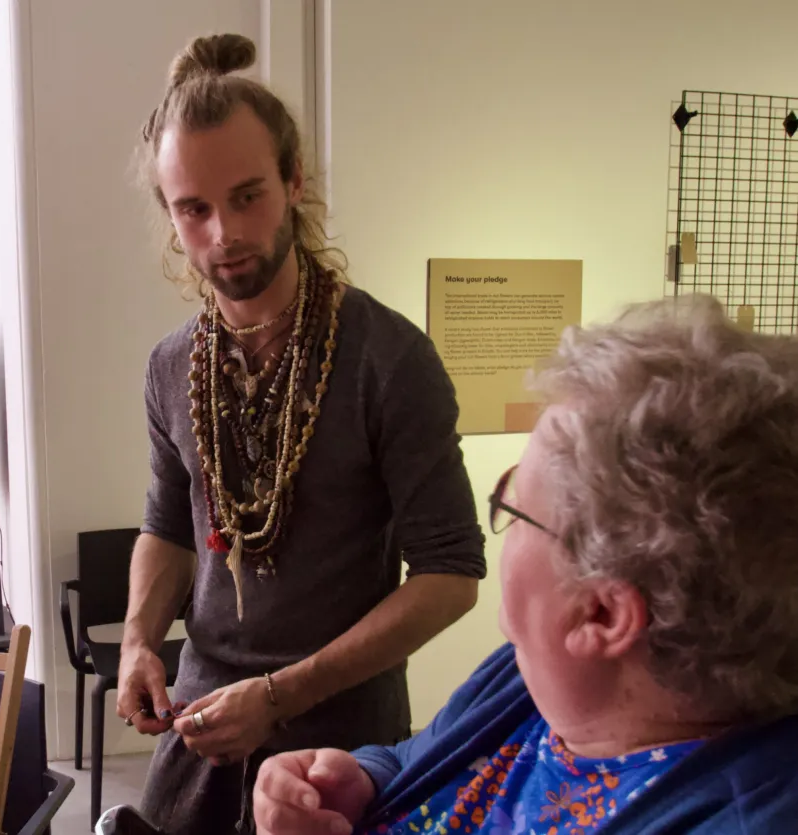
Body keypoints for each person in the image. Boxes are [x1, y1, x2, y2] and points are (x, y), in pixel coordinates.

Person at [117, 33, 488, 835]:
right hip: (202, 726)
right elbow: (165, 523)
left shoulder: (389, 359)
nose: (224, 233)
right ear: (171, 215)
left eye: (248, 196)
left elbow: (452, 572)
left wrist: (282, 694)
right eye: (195, 209)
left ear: (295, 182)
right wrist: (139, 642)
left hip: (338, 748)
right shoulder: (169, 366)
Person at [252, 294, 798, 835]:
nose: (502, 522)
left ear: (600, 614)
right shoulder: (530, 677)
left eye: (512, 506)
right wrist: (363, 779)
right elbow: (418, 758)